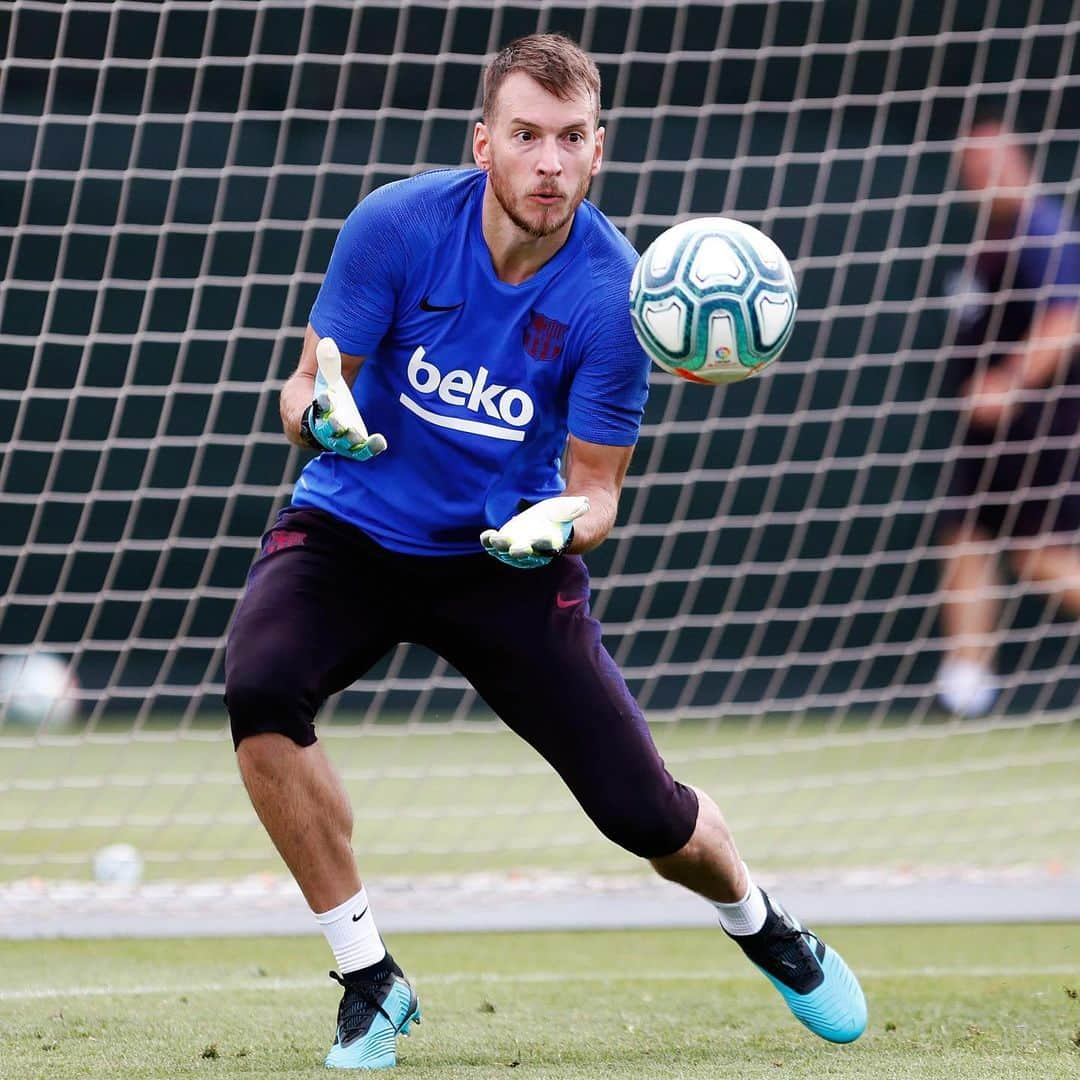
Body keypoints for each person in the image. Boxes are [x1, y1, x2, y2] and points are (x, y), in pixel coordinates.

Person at [224, 33, 866, 1070]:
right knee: (259, 689)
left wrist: (554, 524)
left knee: (643, 816)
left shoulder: (620, 295)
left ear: (598, 149)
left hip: (503, 559)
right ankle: (369, 980)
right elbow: (307, 387)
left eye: (571, 139)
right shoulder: (395, 225)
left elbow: (599, 492)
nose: (550, 162)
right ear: (485, 143)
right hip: (352, 525)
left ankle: (762, 922)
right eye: (527, 136)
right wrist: (318, 412)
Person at [936, 115, 1080, 717]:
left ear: (1017, 161)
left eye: (990, 161)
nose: (980, 175)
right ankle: (967, 679)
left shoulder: (1040, 230)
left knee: (1038, 554)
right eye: (971, 165)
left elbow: (1065, 320)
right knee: (965, 536)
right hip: (988, 435)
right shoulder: (990, 238)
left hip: (1039, 428)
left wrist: (1008, 383)